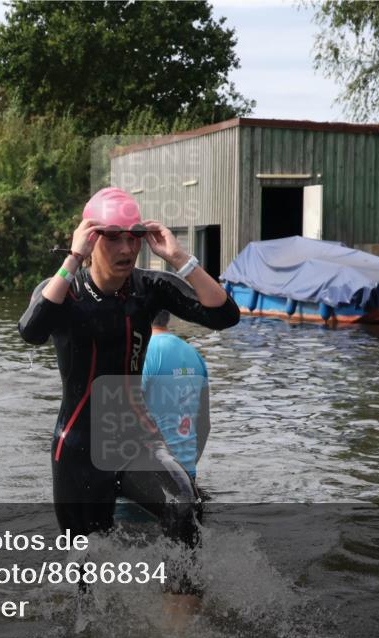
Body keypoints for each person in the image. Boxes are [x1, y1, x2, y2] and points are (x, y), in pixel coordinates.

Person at [18, 187, 239, 576]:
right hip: (78, 448)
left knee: (184, 505)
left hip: (135, 437)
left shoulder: (149, 288)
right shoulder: (65, 290)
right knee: (85, 570)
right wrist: (72, 259)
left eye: (133, 237)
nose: (126, 248)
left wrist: (180, 259)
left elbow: (225, 315)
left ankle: (179, 609)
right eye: (113, 237)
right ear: (90, 239)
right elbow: (31, 330)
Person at [141, 310, 210, 482]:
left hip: (153, 475)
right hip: (187, 473)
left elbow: (129, 412)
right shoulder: (194, 354)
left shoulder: (145, 353)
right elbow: (204, 425)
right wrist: (185, 470)